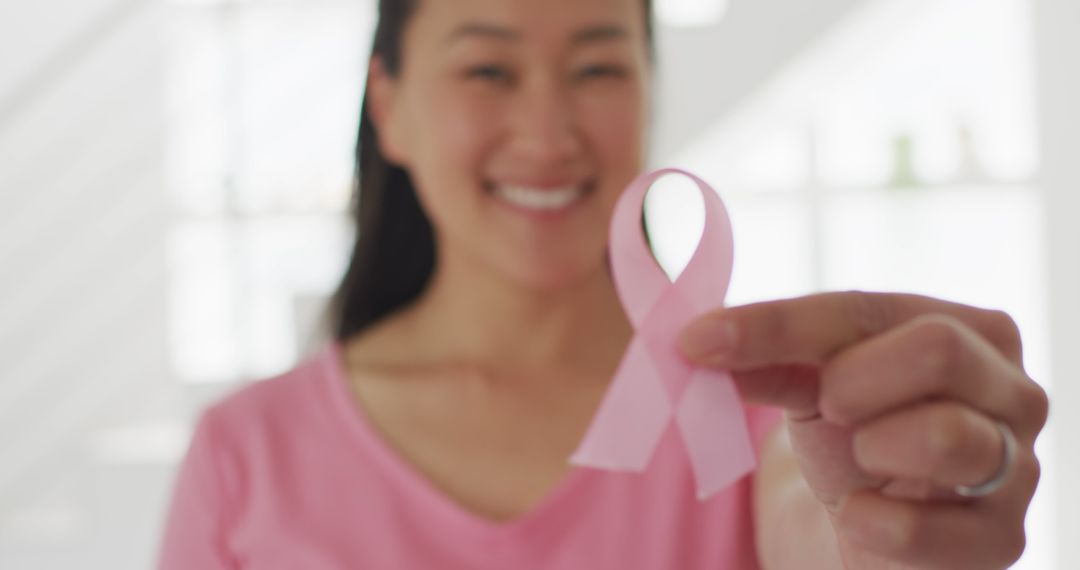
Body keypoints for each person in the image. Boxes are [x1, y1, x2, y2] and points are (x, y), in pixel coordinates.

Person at [157, 0, 1049, 567]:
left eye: (597, 68)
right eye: (488, 69)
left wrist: (886, 535)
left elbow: (814, 520)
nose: (548, 134)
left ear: (650, 91)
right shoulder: (244, 457)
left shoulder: (767, 418)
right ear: (389, 107)